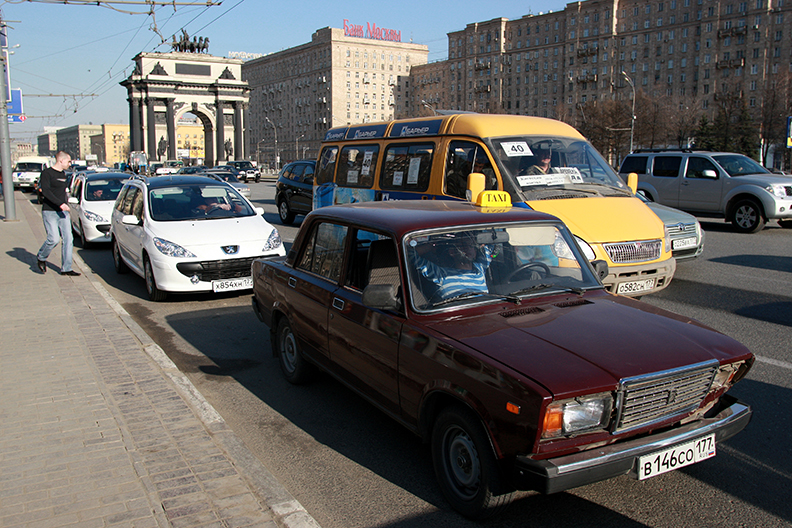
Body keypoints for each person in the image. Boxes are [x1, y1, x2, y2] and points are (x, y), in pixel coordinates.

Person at [412, 234, 494, 301]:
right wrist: (430, 246)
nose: (468, 249)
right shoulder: (441, 274)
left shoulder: (480, 268)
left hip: (484, 311)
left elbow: (494, 239)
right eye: (463, 246)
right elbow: (409, 254)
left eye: (471, 246)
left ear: (475, 251)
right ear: (452, 252)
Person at [36, 152, 80, 276]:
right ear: (61, 160)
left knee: (68, 239)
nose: (70, 163)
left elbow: (63, 192)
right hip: (50, 211)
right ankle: (41, 257)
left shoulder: (63, 174)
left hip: (63, 212)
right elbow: (46, 191)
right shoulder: (47, 173)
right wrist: (60, 204)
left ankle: (66, 268)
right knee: (53, 239)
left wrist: (67, 204)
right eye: (69, 161)